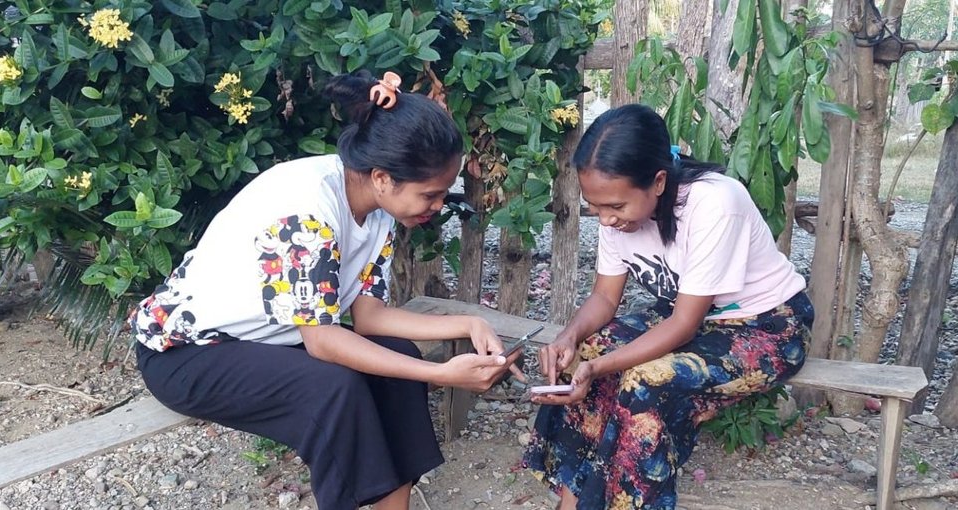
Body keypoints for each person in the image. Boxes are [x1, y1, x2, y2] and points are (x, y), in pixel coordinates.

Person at [130, 70, 522, 510]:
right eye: (429, 195)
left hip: (272, 341)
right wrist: (441, 373)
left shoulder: (378, 213)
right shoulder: (307, 209)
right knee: (333, 388)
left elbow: (369, 317)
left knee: (399, 360)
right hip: (187, 354)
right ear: (381, 177)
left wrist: (470, 322)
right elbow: (322, 341)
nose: (436, 207)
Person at [522, 104, 813, 509]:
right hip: (694, 316)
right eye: (596, 207)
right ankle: (574, 503)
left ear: (658, 181)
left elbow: (684, 324)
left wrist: (602, 368)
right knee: (588, 350)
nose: (605, 220)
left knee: (645, 381)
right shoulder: (616, 211)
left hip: (767, 326)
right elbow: (605, 297)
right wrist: (569, 337)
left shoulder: (714, 203)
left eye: (616, 208)